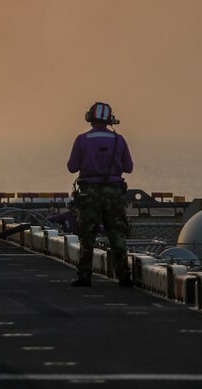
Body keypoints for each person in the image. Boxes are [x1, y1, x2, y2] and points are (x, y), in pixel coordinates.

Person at [67, 101, 134, 288]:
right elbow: (128, 167)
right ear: (110, 119)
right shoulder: (118, 139)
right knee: (117, 234)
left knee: (87, 235)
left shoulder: (82, 139)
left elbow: (72, 167)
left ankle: (84, 276)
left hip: (90, 193)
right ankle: (124, 276)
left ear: (90, 118)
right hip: (114, 193)